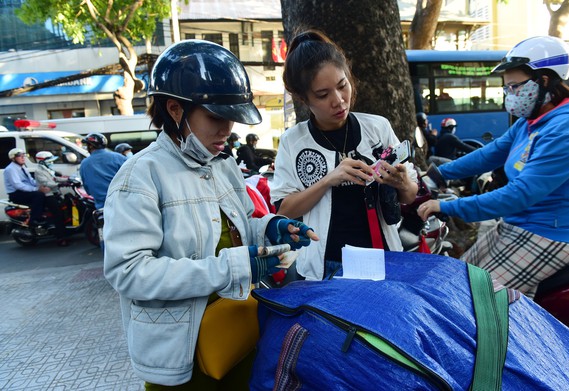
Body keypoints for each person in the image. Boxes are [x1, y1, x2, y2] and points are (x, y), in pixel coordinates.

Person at [102, 39, 318, 389]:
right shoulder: (140, 176)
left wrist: (270, 228)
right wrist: (235, 266)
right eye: (216, 117)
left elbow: (243, 223)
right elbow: (128, 272)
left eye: (231, 119)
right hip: (181, 358)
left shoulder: (223, 163)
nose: (227, 130)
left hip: (237, 333)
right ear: (174, 109)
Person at [418, 36, 569, 298]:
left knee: (467, 299)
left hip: (550, 235)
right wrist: (436, 174)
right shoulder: (531, 121)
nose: (509, 95)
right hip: (518, 224)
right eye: (506, 88)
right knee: (450, 280)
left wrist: (447, 206)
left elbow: (520, 194)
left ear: (543, 81)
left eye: (514, 87)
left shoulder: (568, 128)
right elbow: (490, 154)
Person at [270, 29, 418, 281]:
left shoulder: (377, 127)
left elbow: (410, 194)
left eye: (342, 86)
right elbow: (285, 209)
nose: (339, 100)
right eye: (323, 95)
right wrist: (330, 179)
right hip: (327, 266)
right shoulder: (293, 141)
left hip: (384, 257)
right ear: (304, 99)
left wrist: (402, 182)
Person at [79, 133, 126, 209]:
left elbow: (87, 189)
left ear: (90, 146)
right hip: (124, 203)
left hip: (103, 207)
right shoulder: (118, 157)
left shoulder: (85, 163)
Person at [3, 148, 49, 226]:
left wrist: (42, 185)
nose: (23, 157)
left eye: (23, 155)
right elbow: (18, 185)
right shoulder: (11, 169)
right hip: (16, 194)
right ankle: (34, 219)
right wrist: (37, 189)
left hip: (23, 191)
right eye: (19, 156)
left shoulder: (23, 167)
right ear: (13, 158)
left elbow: (31, 180)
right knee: (39, 195)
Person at [34, 151, 69, 246]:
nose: (51, 163)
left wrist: (69, 179)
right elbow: (47, 183)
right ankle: (60, 238)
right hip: (48, 195)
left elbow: (55, 178)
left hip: (55, 193)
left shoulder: (48, 170)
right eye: (49, 161)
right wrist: (60, 184)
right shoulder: (39, 171)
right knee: (58, 215)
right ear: (42, 162)